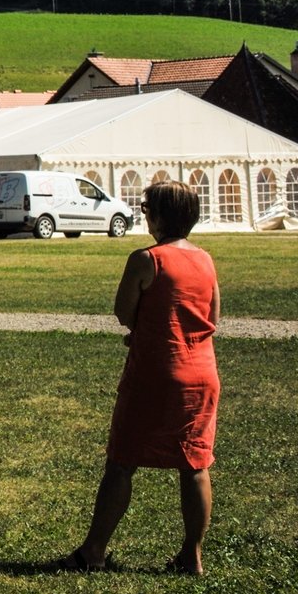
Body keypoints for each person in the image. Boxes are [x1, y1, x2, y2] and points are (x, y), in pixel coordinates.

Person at [65, 180, 218, 574]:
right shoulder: (206, 259)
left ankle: (93, 551)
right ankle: (192, 555)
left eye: (148, 208)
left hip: (156, 372)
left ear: (163, 214)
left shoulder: (146, 259)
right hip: (201, 373)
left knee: (122, 461)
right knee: (195, 464)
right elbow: (211, 318)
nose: (145, 214)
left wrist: (145, 330)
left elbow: (124, 311)